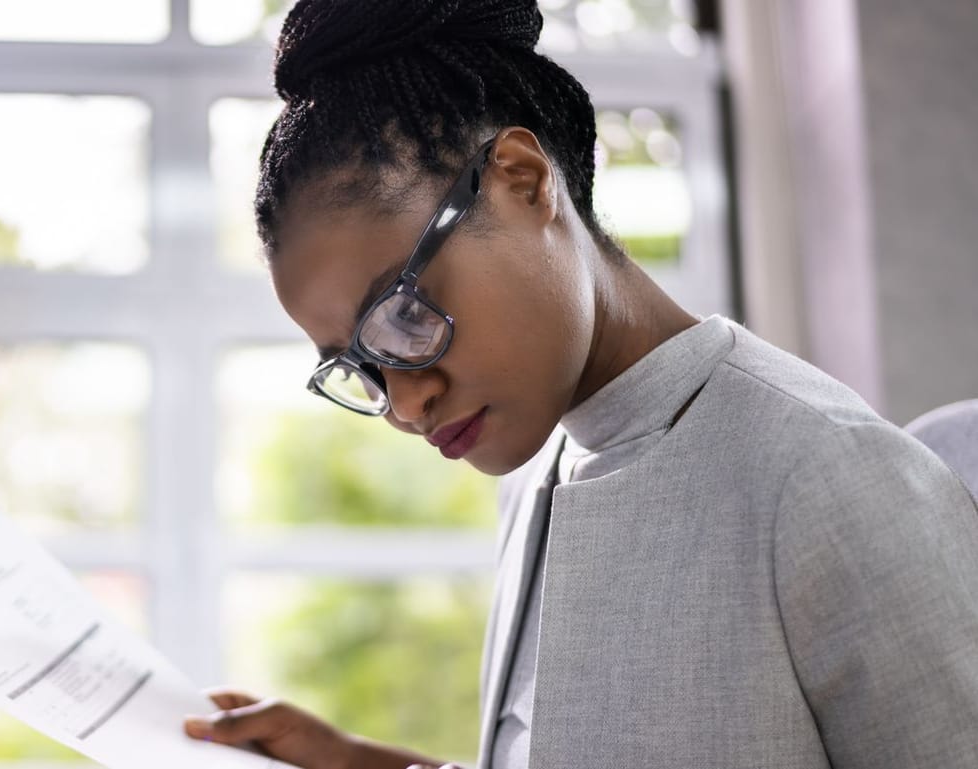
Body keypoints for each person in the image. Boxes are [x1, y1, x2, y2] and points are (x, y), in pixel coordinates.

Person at [183, 1, 978, 767]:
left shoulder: (826, 477)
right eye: (359, 366)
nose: (404, 404)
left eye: (401, 315)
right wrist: (353, 762)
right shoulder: (542, 472)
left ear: (523, 182)